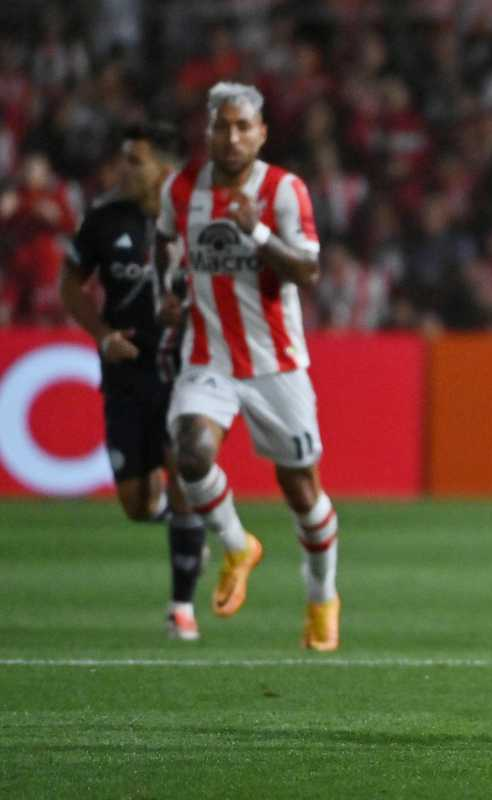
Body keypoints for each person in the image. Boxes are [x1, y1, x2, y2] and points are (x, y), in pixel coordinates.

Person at [156, 82, 341, 651]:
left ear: (261, 134)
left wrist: (254, 230)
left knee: (302, 491)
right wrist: (169, 294)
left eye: (243, 127)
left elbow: (307, 271)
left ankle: (322, 597)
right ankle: (237, 545)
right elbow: (166, 245)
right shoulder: (180, 188)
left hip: (275, 364)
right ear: (207, 131)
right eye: (222, 126)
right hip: (207, 355)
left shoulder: (284, 190)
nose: (231, 137)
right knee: (191, 452)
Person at [58, 122, 208, 641]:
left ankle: (181, 609)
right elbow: (70, 284)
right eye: (124, 157)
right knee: (136, 504)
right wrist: (102, 336)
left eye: (135, 160)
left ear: (164, 168)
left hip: (185, 368)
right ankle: (186, 527)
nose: (124, 168)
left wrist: (191, 315)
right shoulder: (103, 219)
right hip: (125, 371)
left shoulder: (196, 217)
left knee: (183, 471)